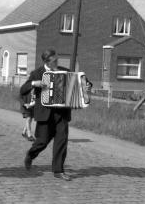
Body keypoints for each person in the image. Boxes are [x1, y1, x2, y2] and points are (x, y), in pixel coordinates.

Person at [20, 48, 92, 181]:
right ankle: (30, 155)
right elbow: (23, 90)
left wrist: (86, 86)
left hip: (62, 113)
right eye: (54, 61)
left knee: (62, 141)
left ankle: (58, 170)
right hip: (45, 113)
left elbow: (83, 82)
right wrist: (34, 83)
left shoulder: (65, 71)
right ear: (46, 61)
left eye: (57, 59)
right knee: (42, 142)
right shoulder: (37, 73)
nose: (56, 62)